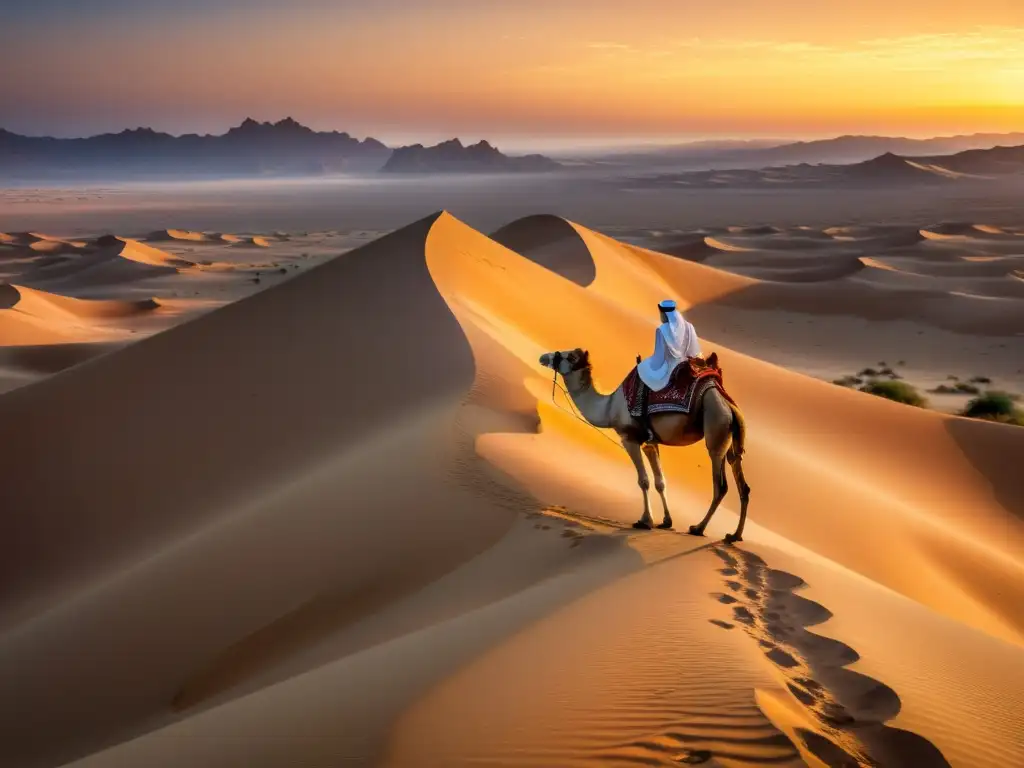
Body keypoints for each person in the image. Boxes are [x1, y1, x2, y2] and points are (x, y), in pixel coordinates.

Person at [636, 299, 702, 442]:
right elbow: (695, 352)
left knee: (643, 371)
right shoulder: (689, 327)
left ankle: (645, 424)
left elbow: (659, 358)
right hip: (689, 365)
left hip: (671, 368)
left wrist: (647, 365)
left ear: (663, 313)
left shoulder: (662, 330)